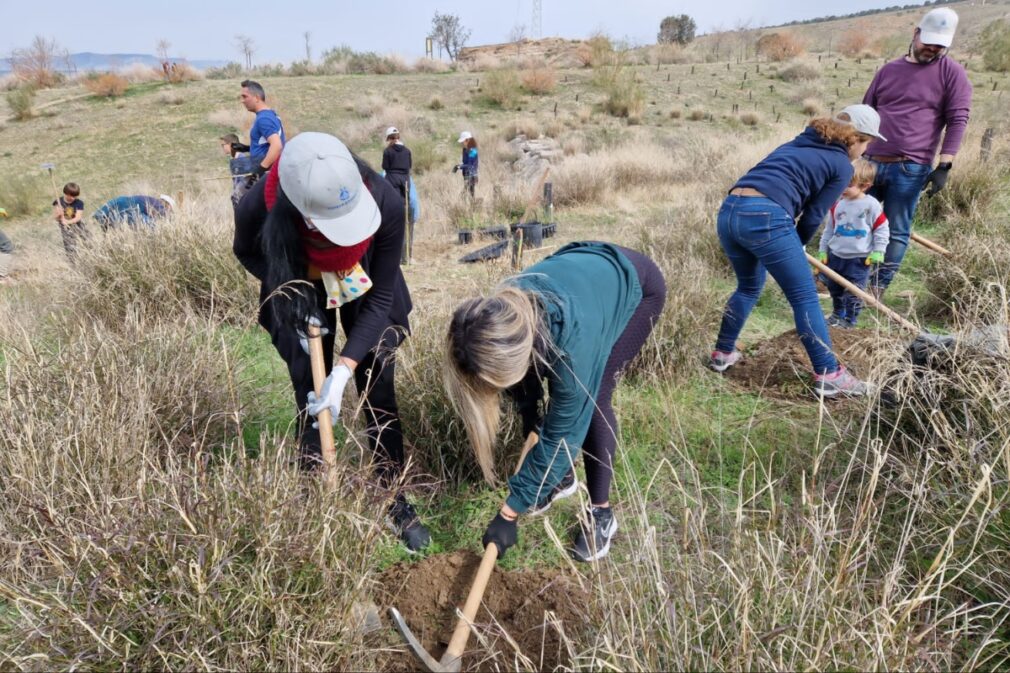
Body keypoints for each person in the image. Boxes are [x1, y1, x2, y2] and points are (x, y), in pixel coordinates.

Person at [232, 131, 430, 552]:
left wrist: (345, 368)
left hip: (366, 277)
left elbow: (381, 297)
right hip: (301, 275)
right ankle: (316, 492)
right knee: (309, 391)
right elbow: (246, 251)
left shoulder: (384, 200)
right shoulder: (260, 205)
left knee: (378, 382)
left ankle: (393, 494)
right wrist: (290, 290)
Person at [444, 241, 667, 562]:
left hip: (637, 286)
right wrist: (534, 437)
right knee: (526, 383)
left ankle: (601, 513)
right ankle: (560, 477)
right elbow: (523, 388)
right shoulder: (502, 314)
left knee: (596, 394)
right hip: (583, 271)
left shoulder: (574, 344)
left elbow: (564, 430)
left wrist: (510, 511)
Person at [709, 105, 885, 398]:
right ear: (854, 138)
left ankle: (723, 354)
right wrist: (799, 242)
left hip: (729, 211)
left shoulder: (795, 143)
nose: (865, 151)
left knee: (749, 286)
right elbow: (815, 214)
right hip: (765, 215)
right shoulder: (842, 165)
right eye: (867, 143)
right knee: (804, 296)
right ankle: (830, 374)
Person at [862, 7, 972, 296]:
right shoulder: (888, 70)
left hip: (910, 167)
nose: (933, 48)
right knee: (858, 221)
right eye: (929, 41)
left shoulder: (952, 73)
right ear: (916, 34)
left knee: (897, 229)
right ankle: (848, 281)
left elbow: (958, 119)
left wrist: (944, 166)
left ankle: (876, 288)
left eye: (940, 45)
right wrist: (852, 152)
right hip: (871, 161)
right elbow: (867, 111)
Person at [818, 159, 890, 329]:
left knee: (854, 292)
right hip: (836, 256)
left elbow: (882, 228)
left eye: (848, 185)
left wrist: (879, 250)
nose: (842, 188)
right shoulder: (838, 205)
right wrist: (823, 250)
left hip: (859, 259)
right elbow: (829, 230)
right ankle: (837, 314)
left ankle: (850, 320)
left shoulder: (870, 205)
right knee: (834, 288)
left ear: (864, 186)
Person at [240, 80, 286, 185]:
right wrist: (247, 148)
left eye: (245, 96)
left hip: (266, 175)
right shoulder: (270, 115)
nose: (242, 101)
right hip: (270, 173)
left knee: (239, 196)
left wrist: (259, 171)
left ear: (256, 98)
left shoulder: (264, 119)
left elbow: (277, 146)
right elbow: (268, 143)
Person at [93, 194, 175, 231]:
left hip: (122, 200)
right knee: (152, 228)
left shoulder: (150, 200)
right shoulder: (159, 205)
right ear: (166, 203)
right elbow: (167, 217)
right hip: (131, 207)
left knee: (107, 219)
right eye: (169, 208)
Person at [51, 182, 87, 260]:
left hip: (78, 225)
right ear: (66, 193)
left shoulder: (79, 203)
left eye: (75, 196)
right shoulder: (58, 202)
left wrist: (67, 222)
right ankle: (73, 261)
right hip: (65, 227)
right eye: (71, 195)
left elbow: (78, 217)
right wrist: (58, 214)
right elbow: (55, 218)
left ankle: (89, 256)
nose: (73, 198)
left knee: (87, 239)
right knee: (69, 245)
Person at [220, 132, 254, 207]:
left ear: (231, 145)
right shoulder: (235, 159)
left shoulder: (241, 158)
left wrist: (237, 194)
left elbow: (247, 179)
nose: (222, 147)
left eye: (223, 145)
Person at [381, 127, 412, 199]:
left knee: (391, 200)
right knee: (406, 201)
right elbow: (409, 166)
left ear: (389, 138)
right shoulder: (407, 151)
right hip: (405, 179)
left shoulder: (387, 151)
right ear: (398, 137)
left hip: (392, 179)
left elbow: (385, 167)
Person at [454, 131, 479, 198]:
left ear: (467, 140)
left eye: (463, 142)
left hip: (472, 175)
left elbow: (470, 165)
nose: (461, 143)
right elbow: (465, 163)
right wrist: (459, 166)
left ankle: (473, 206)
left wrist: (459, 167)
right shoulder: (465, 149)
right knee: (468, 194)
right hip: (466, 174)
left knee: (467, 194)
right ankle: (472, 205)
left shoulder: (473, 151)